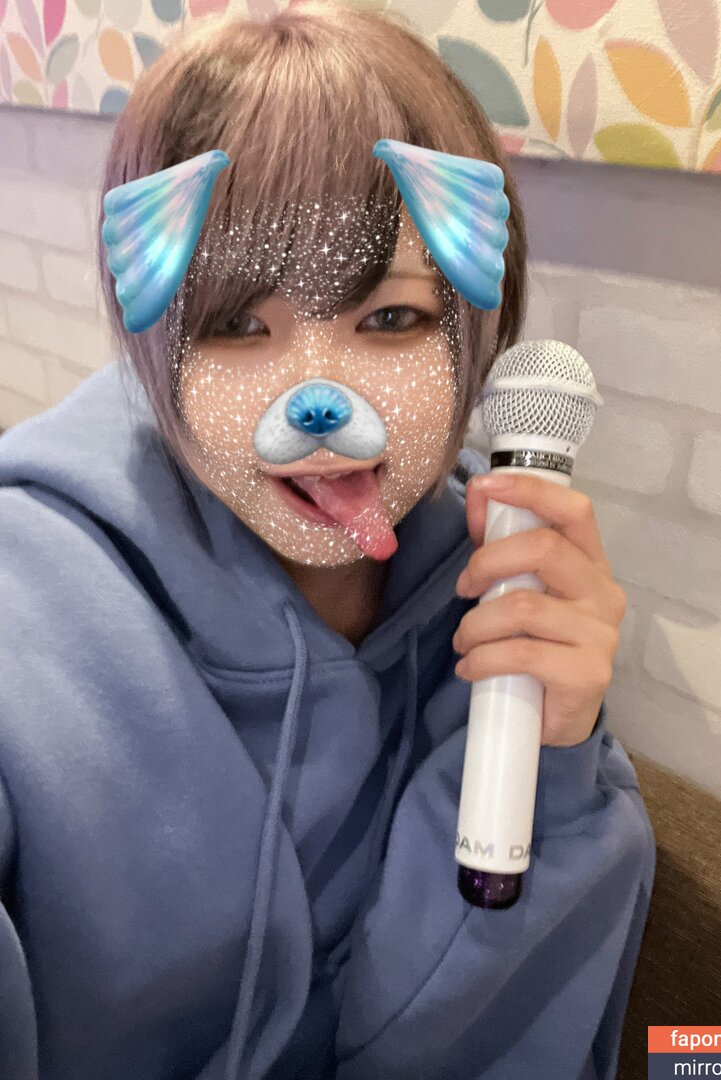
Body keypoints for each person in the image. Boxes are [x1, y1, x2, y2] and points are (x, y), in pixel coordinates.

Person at [0, 5, 655, 1079]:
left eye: (389, 319)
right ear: (159, 345)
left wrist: (553, 753)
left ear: (475, 334)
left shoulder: (492, 600)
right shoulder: (23, 606)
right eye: (236, 324)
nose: (315, 399)